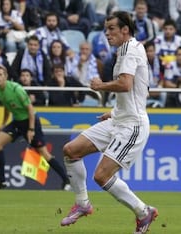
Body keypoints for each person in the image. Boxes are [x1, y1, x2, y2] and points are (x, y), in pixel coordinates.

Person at [60, 12, 158, 234]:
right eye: (106, 28)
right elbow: (138, 90)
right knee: (71, 150)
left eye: (112, 28)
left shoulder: (130, 49)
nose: (107, 33)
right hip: (119, 118)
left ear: (125, 30)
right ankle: (83, 204)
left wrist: (100, 85)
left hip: (132, 125)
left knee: (102, 176)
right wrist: (114, 111)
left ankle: (144, 212)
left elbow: (125, 85)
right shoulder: (128, 49)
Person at [0, 65, 71, 190]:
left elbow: (31, 110)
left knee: (44, 153)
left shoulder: (16, 89)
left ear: (6, 76)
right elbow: (7, 107)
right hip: (17, 123)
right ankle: (1, 181)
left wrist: (31, 130)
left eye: (0, 75)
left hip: (31, 122)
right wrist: (3, 123)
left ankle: (66, 180)